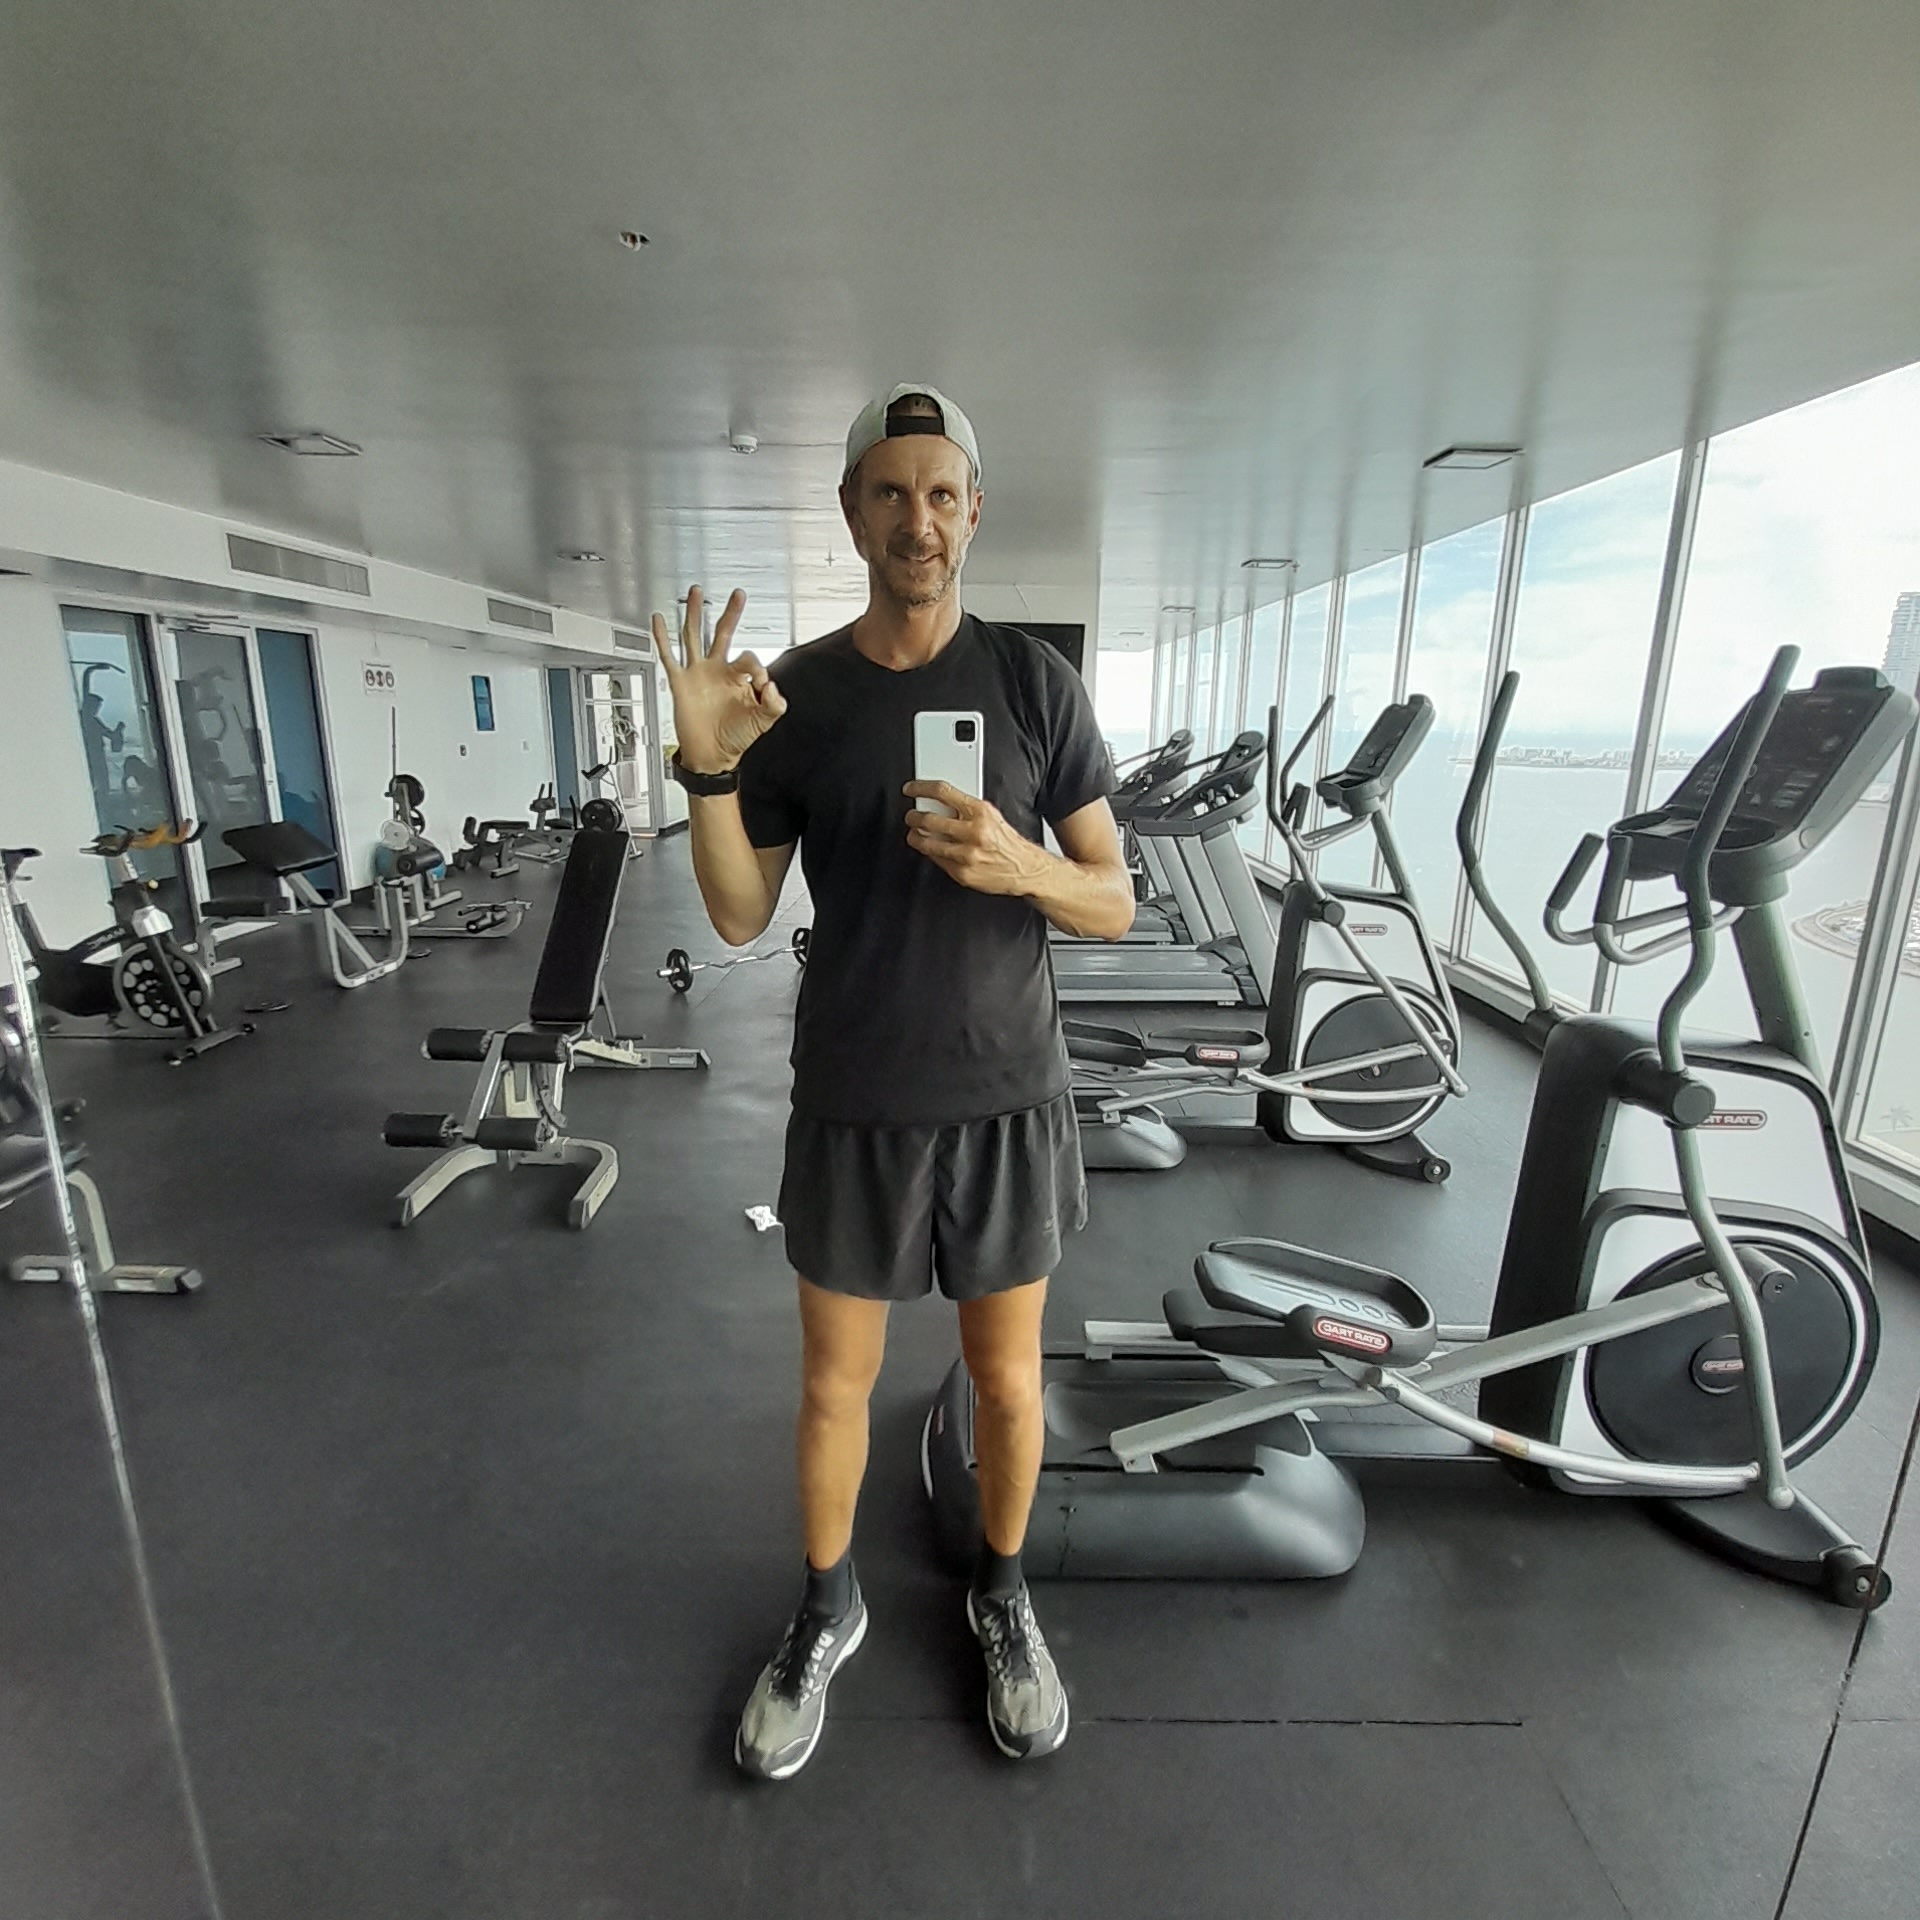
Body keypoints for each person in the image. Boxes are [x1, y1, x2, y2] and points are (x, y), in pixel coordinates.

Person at [652, 384, 1135, 1780]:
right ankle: (826, 1609)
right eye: (889, 492)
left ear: (973, 511)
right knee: (833, 1389)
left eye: (939, 493)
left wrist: (1022, 865)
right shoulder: (799, 696)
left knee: (1008, 1385)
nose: (916, 519)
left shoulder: (1036, 686)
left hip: (1006, 1098)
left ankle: (1002, 1594)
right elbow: (739, 913)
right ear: (853, 513)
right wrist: (705, 770)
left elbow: (1114, 896)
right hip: (855, 1101)